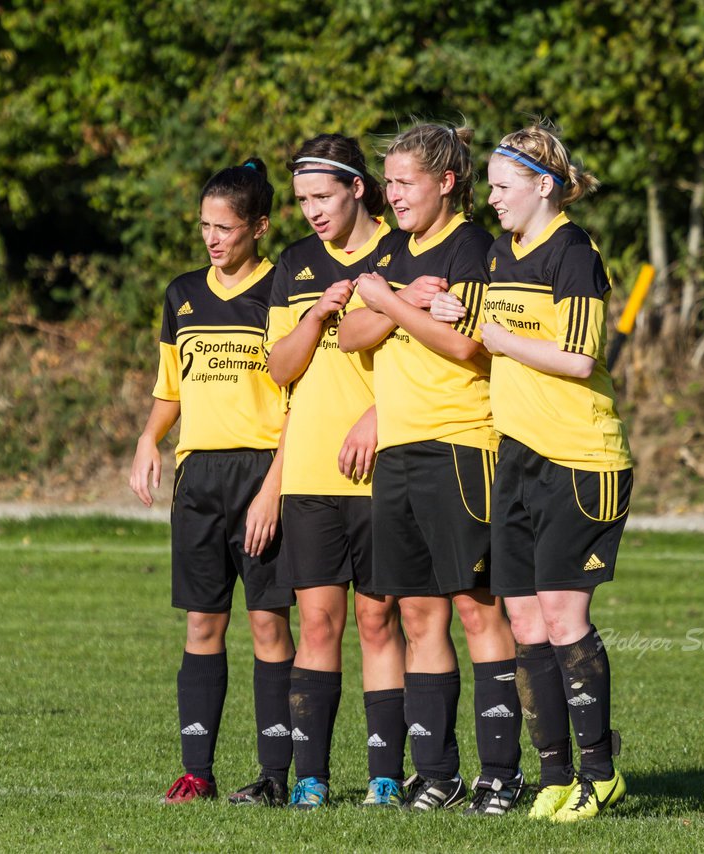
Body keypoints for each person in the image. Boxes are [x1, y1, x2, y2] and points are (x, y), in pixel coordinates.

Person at [433, 122, 633, 822]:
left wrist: (498, 336)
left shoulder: (573, 251)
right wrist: (450, 310)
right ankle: (553, 775)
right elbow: (484, 342)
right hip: (516, 456)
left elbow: (578, 358)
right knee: (524, 619)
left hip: (581, 459)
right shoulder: (496, 252)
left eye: (502, 186)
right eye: (488, 186)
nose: (492, 199)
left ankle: (601, 773)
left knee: (561, 612)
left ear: (543, 186)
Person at [339, 122, 524, 815]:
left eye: (405, 182)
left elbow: (474, 351)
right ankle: (438, 776)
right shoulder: (391, 250)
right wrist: (395, 303)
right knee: (418, 614)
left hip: (460, 445)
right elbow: (349, 334)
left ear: (446, 182)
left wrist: (387, 301)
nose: (394, 195)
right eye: (388, 183)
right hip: (399, 454)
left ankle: (501, 775)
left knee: (479, 613)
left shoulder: (475, 247)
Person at [129, 158, 296, 807]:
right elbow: (172, 387)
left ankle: (276, 776)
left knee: (266, 625)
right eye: (205, 226)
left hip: (260, 473)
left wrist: (275, 488)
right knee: (202, 624)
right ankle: (196, 771)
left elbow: (299, 394)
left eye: (225, 226)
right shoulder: (181, 295)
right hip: (198, 478)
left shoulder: (281, 289)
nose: (213, 238)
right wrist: (149, 437)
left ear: (259, 226)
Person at [263, 134, 408, 810]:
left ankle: (386, 773)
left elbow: (425, 359)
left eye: (322, 197)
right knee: (318, 626)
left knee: (380, 622)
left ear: (358, 188)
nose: (312, 212)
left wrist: (380, 414)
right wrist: (317, 315)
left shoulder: (400, 252)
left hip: (387, 471)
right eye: (301, 201)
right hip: (311, 477)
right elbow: (279, 368)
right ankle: (311, 776)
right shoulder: (294, 264)